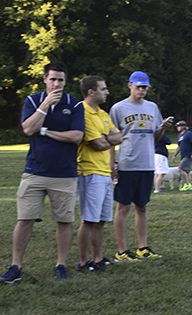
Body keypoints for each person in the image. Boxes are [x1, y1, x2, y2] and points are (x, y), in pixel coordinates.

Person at [0, 62, 84, 283]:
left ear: (66, 81)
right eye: (53, 79)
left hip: (64, 173)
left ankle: (61, 264)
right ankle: (15, 266)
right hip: (35, 171)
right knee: (25, 219)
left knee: (64, 221)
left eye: (61, 80)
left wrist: (44, 130)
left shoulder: (74, 105)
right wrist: (45, 104)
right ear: (45, 79)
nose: (57, 84)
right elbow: (28, 129)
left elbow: (76, 137)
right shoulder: (33, 100)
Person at [109, 71, 174, 261]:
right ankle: (122, 251)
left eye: (144, 87)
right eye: (138, 86)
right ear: (129, 85)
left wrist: (162, 127)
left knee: (142, 207)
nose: (141, 90)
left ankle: (142, 248)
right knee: (123, 208)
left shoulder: (152, 107)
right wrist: (112, 163)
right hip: (127, 164)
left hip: (147, 164)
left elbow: (155, 137)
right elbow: (112, 139)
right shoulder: (118, 108)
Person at [76, 75, 122, 273]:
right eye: (103, 89)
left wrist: (108, 138)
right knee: (89, 220)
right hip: (89, 171)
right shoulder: (82, 112)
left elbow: (119, 136)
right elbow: (98, 143)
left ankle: (98, 258)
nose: (107, 92)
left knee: (101, 220)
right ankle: (84, 262)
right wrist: (108, 138)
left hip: (104, 172)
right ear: (91, 92)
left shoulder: (103, 113)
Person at [172, 120, 192, 190]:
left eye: (178, 126)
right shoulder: (179, 136)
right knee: (187, 171)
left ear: (183, 126)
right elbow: (179, 146)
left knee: (181, 169)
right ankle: (190, 186)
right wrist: (174, 155)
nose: (177, 128)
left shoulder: (188, 133)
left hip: (188, 155)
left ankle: (187, 184)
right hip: (183, 155)